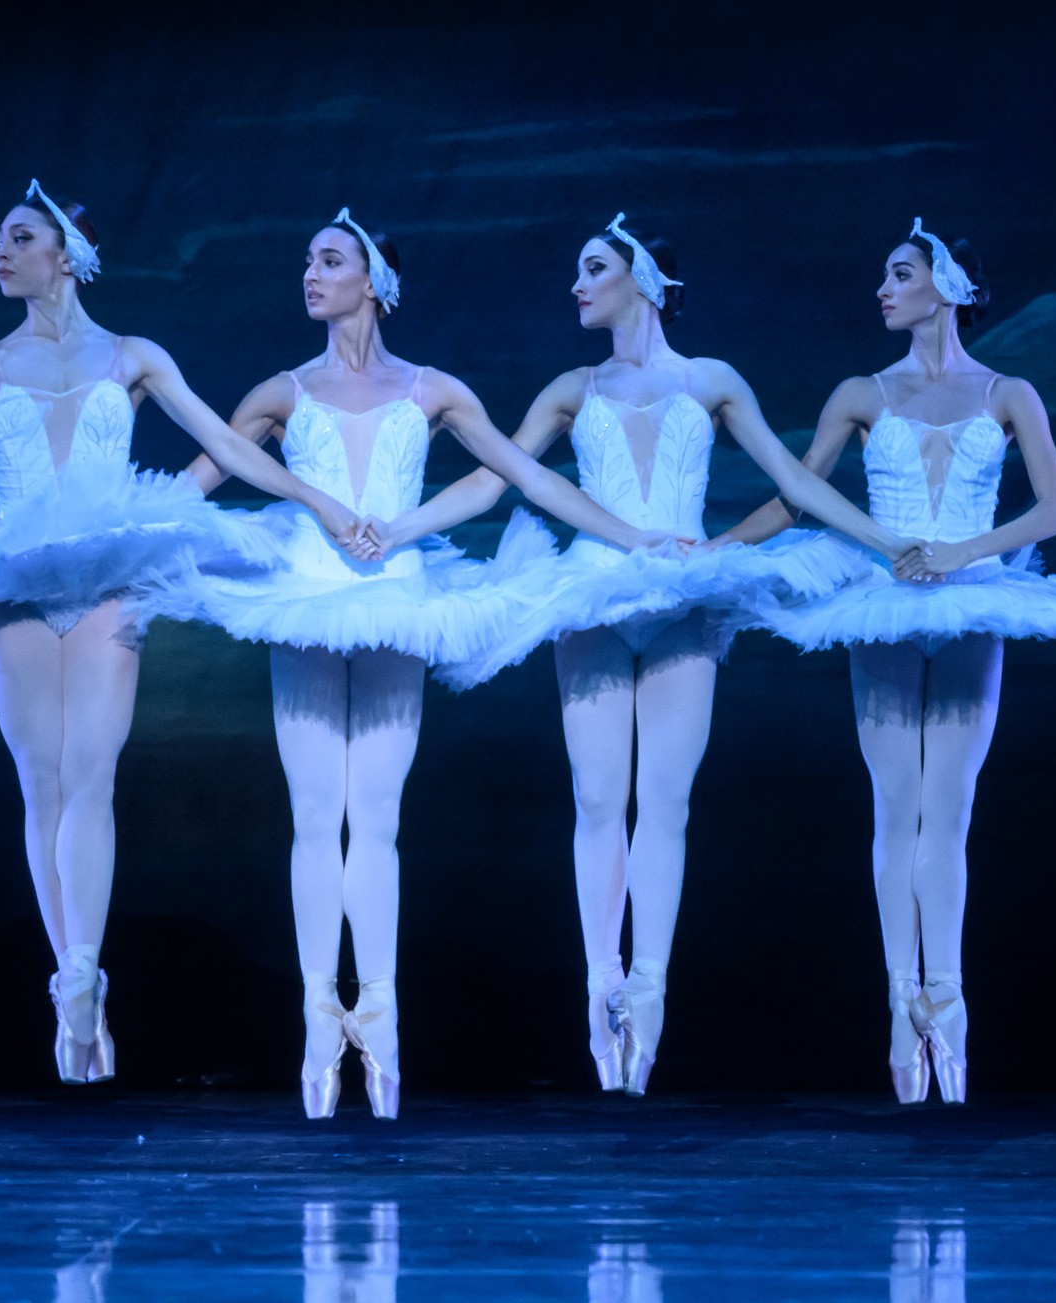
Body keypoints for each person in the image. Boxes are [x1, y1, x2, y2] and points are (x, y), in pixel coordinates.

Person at [135, 210, 672, 1119]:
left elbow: (518, 475)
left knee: (376, 820)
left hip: (396, 601)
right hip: (306, 602)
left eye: (330, 259)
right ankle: (318, 1018)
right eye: (307, 260)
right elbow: (205, 473)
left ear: (374, 281)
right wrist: (112, 541)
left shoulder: (432, 389)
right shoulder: (282, 392)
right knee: (316, 818)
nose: (311, 273)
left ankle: (379, 1019)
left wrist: (632, 537)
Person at [0, 182, 364, 1084]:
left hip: (110, 573)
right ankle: (73, 981)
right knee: (41, 781)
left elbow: (228, 444)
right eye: (0, 240)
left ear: (66, 254)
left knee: (89, 776)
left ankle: (82, 972)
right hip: (18, 579)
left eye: (19, 238)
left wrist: (314, 496)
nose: (0, 253)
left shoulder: (132, 356)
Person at [372, 215, 917, 1096]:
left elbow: (794, 482)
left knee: (664, 803)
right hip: (595, 591)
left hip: (682, 599)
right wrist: (399, 526)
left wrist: (883, 543)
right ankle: (602, 986)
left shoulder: (711, 380)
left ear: (644, 280)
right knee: (597, 800)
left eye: (595, 268)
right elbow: (494, 475)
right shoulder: (572, 387)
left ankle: (651, 989)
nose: (577, 284)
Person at [719, 218, 1056, 1103]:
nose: (883, 290)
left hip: (972, 595)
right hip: (885, 602)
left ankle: (949, 1001)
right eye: (885, 276)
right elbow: (797, 495)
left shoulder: (1009, 393)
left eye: (900, 274)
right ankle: (900, 1003)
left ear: (947, 285)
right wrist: (712, 548)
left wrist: (961, 553)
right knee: (896, 809)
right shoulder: (861, 392)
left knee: (949, 812)